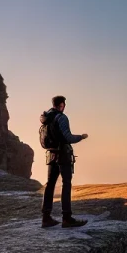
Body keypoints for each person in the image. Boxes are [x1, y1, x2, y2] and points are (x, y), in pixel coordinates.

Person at [41, 95, 89, 228]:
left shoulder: (46, 117)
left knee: (50, 184)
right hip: (63, 154)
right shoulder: (61, 117)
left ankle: (46, 218)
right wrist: (81, 137)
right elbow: (68, 137)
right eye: (64, 105)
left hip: (51, 154)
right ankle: (66, 218)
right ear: (61, 105)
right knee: (66, 183)